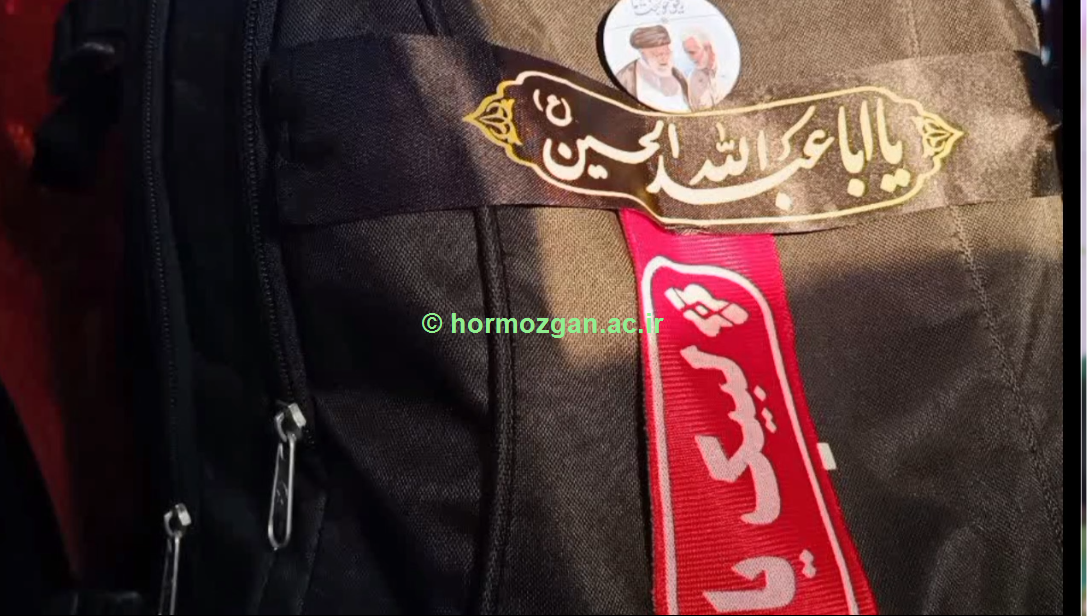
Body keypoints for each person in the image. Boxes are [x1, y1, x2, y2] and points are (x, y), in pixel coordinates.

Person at [615, 25, 692, 113]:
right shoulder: (625, 78)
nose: (664, 59)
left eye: (667, 53)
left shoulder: (678, 75)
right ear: (643, 53)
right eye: (657, 54)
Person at [682, 29, 727, 110]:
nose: (690, 58)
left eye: (693, 52)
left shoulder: (728, 72)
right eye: (687, 53)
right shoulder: (692, 79)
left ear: (708, 48)